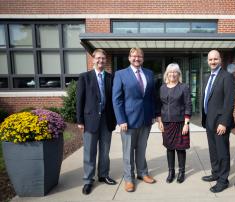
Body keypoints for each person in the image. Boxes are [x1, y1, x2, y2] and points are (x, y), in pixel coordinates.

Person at [112, 48, 156, 192]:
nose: (137, 58)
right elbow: (116, 99)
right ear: (129, 58)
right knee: (128, 151)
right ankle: (129, 179)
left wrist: (154, 114)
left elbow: (151, 97)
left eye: (140, 56)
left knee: (142, 149)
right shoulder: (120, 74)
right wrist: (121, 120)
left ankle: (142, 173)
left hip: (145, 119)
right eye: (134, 56)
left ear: (143, 58)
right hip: (128, 121)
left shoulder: (149, 73)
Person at [76, 48, 117, 195]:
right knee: (89, 152)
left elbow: (115, 99)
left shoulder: (111, 77)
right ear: (93, 59)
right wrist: (80, 120)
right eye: (98, 58)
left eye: (103, 58)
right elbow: (79, 100)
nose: (101, 61)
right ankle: (88, 180)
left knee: (105, 151)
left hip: (107, 120)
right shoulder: (84, 77)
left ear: (106, 60)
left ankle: (103, 175)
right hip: (90, 121)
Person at [201, 49, 235, 193]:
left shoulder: (226, 77)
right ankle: (215, 173)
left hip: (220, 122)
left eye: (215, 59)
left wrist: (224, 122)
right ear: (207, 61)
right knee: (213, 150)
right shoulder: (208, 77)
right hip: (209, 121)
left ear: (220, 60)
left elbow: (229, 102)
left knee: (222, 152)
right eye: (210, 59)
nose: (213, 62)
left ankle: (223, 180)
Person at [157, 63, 192, 184]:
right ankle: (171, 172)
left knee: (180, 148)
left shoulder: (184, 87)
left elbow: (188, 105)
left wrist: (186, 123)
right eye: (170, 72)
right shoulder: (162, 88)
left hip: (180, 122)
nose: (172, 74)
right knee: (169, 148)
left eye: (175, 72)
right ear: (167, 74)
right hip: (166, 123)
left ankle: (181, 172)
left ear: (178, 74)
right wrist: (159, 121)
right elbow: (159, 106)